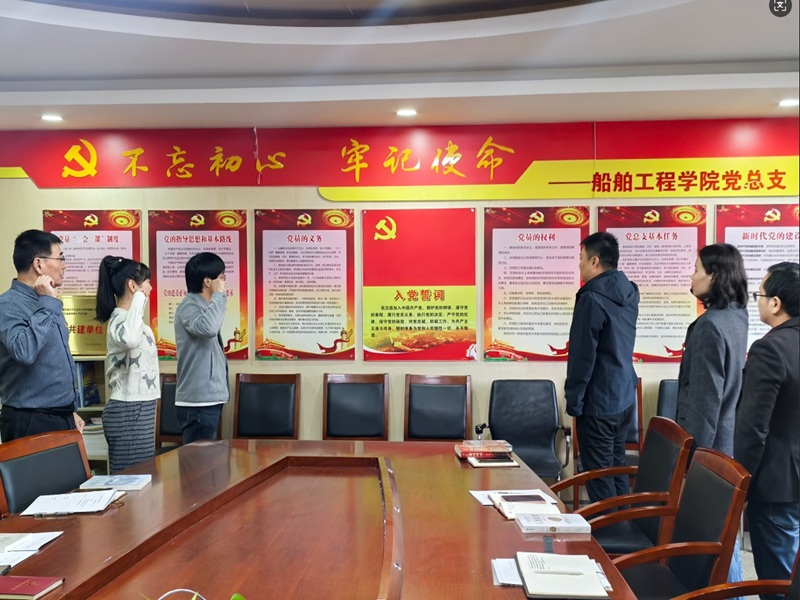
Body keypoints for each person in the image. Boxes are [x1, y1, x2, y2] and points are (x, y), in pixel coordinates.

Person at [675, 243, 749, 593]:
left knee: (714, 537)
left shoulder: (709, 327)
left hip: (709, 449)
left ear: (714, 276)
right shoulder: (737, 316)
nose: (691, 275)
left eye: (696, 269)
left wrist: (692, 461)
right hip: (727, 440)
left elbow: (704, 403)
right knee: (725, 531)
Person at [734, 261, 799, 599]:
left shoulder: (770, 349)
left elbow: (753, 428)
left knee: (778, 581)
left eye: (759, 294)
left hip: (776, 485)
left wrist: (741, 485)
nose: (756, 301)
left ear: (775, 303)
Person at [565, 232, 639, 504]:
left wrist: (574, 402)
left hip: (599, 403)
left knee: (598, 479)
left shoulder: (591, 299)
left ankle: (610, 529)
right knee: (617, 471)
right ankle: (626, 528)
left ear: (595, 261)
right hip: (624, 397)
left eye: (581, 258)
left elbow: (582, 358)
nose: (579, 265)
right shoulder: (630, 292)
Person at [0, 229, 85, 442]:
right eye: (60, 258)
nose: (64, 265)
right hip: (30, 420)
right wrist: (47, 302)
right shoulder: (8, 305)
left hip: (61, 416)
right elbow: (24, 352)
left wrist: (69, 412)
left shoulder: (47, 300)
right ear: (39, 264)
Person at [95, 256, 159, 473]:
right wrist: (139, 297)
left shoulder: (135, 322)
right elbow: (130, 340)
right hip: (128, 410)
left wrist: (139, 298)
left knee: (143, 478)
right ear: (133, 285)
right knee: (131, 480)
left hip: (141, 408)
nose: (150, 287)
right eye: (147, 282)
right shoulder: (119, 320)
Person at [174, 252, 228, 444]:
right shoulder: (189, 307)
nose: (224, 283)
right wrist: (218, 295)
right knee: (198, 460)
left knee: (207, 460)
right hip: (197, 402)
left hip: (208, 398)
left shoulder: (203, 306)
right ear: (207, 281)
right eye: (221, 277)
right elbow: (209, 328)